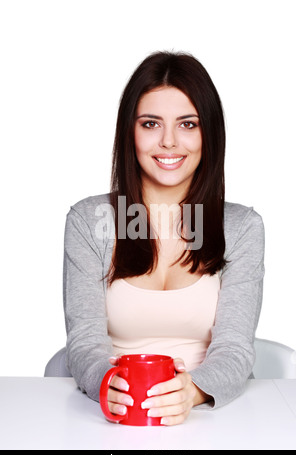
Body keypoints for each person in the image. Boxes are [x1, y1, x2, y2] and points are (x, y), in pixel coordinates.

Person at [63, 51, 265, 426]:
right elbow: (85, 341)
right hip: (111, 416)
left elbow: (235, 348)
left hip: (212, 417)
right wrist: (105, 383)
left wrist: (194, 390)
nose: (169, 142)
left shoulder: (241, 228)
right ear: (130, 131)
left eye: (188, 124)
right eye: (151, 123)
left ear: (210, 134)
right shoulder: (89, 222)